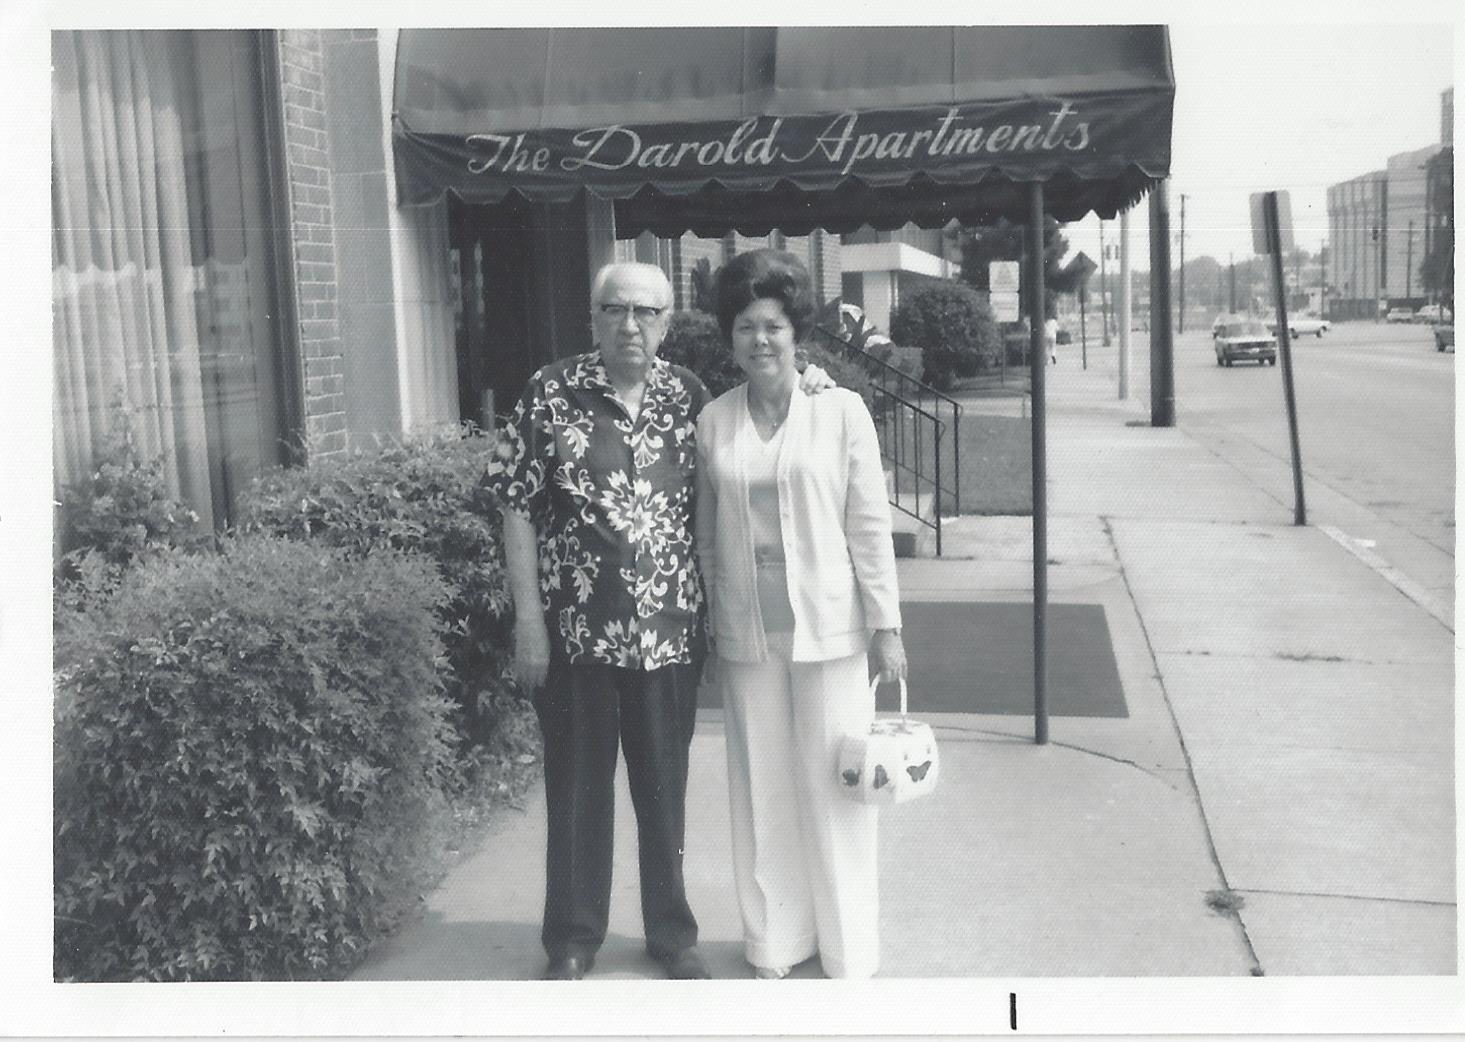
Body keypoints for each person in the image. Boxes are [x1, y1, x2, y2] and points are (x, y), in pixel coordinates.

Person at [489, 261, 829, 981]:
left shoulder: (691, 398)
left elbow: (763, 416)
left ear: (668, 322)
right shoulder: (548, 394)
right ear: (593, 316)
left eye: (646, 312)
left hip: (671, 632)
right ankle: (574, 938)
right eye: (615, 309)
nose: (630, 325)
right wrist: (528, 622)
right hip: (576, 630)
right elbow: (515, 505)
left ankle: (670, 935)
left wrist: (815, 384)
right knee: (578, 789)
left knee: (663, 790)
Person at [694, 249, 907, 980]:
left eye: (774, 326)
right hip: (748, 634)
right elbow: (702, 528)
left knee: (836, 787)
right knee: (761, 790)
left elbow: (868, 522)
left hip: (830, 630)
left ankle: (847, 946)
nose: (760, 340)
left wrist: (886, 625)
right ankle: (776, 941)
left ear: (796, 333)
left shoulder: (839, 409)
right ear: (731, 336)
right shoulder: (713, 421)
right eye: (746, 326)